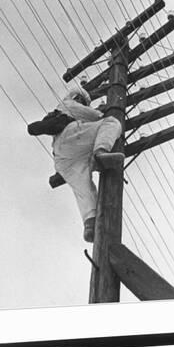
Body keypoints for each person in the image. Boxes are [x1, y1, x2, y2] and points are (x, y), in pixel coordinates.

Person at [52, 86, 124, 243]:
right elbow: (96, 116)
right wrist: (104, 110)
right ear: (77, 98)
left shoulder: (61, 109)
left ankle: (90, 223)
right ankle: (101, 152)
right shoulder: (69, 104)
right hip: (72, 136)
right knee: (112, 122)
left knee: (83, 187)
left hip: (62, 158)